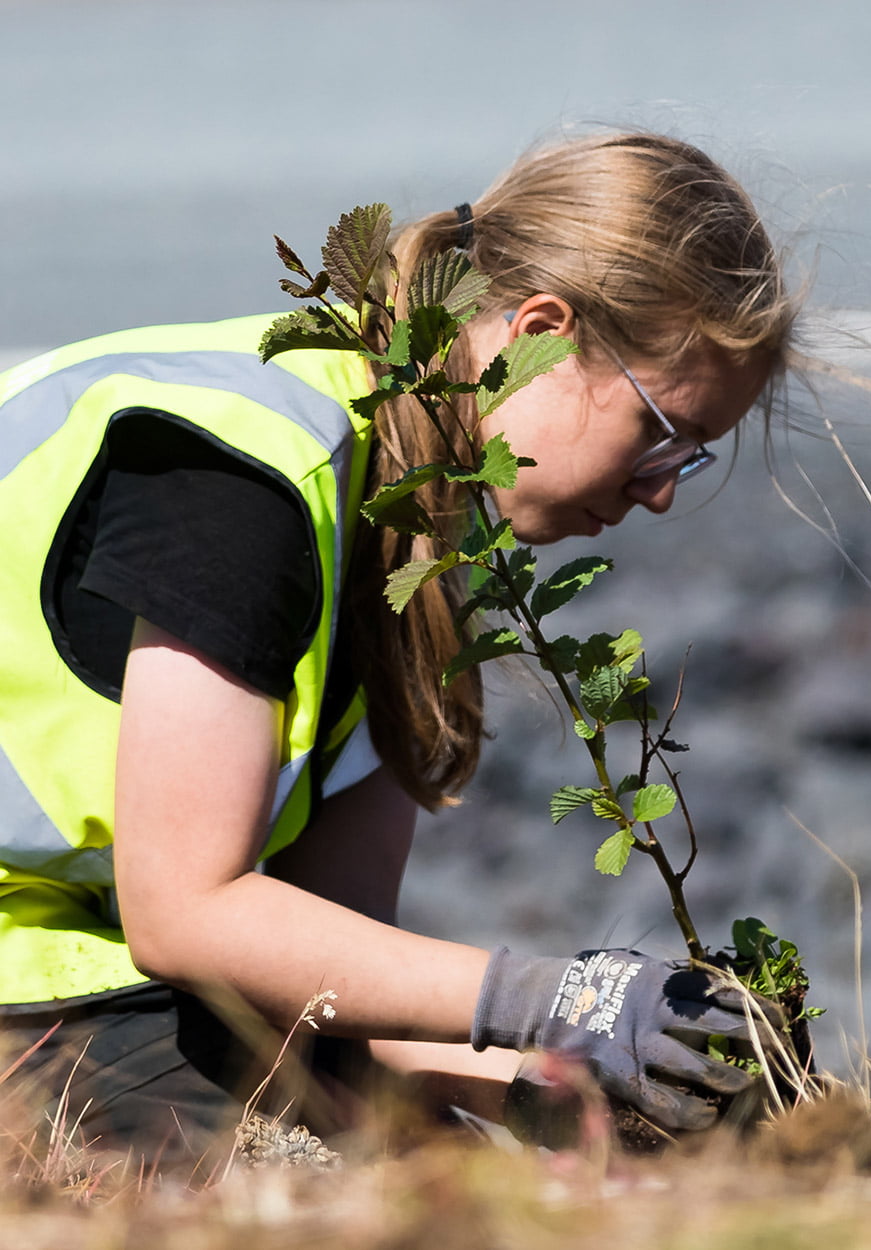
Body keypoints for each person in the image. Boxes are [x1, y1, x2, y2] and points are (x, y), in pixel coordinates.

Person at [0, 131, 795, 1160]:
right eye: (661, 433)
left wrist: (563, 1085)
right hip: (62, 970)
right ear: (538, 331)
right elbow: (185, 915)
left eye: (693, 459)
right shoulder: (248, 479)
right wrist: (560, 996)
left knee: (427, 1139)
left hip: (60, 963)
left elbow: (321, 984)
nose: (658, 489)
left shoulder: (412, 536)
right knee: (269, 1137)